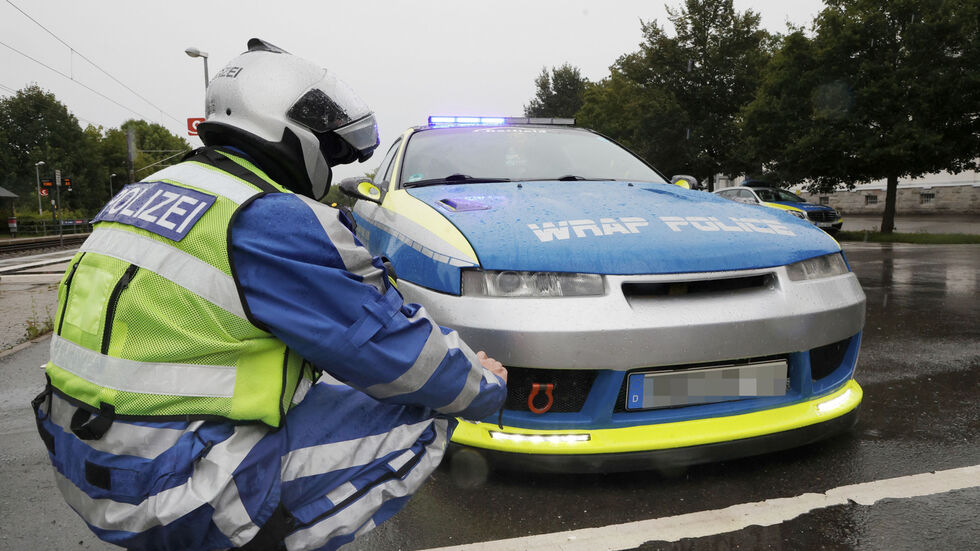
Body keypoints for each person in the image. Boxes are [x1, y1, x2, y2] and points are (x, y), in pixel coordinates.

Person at [32, 38, 507, 551]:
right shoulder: (268, 217)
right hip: (171, 492)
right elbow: (396, 353)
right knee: (429, 405)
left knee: (324, 393)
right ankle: (256, 536)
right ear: (288, 131)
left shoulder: (147, 190)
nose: (329, 167)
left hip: (84, 461)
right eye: (330, 152)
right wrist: (484, 385)